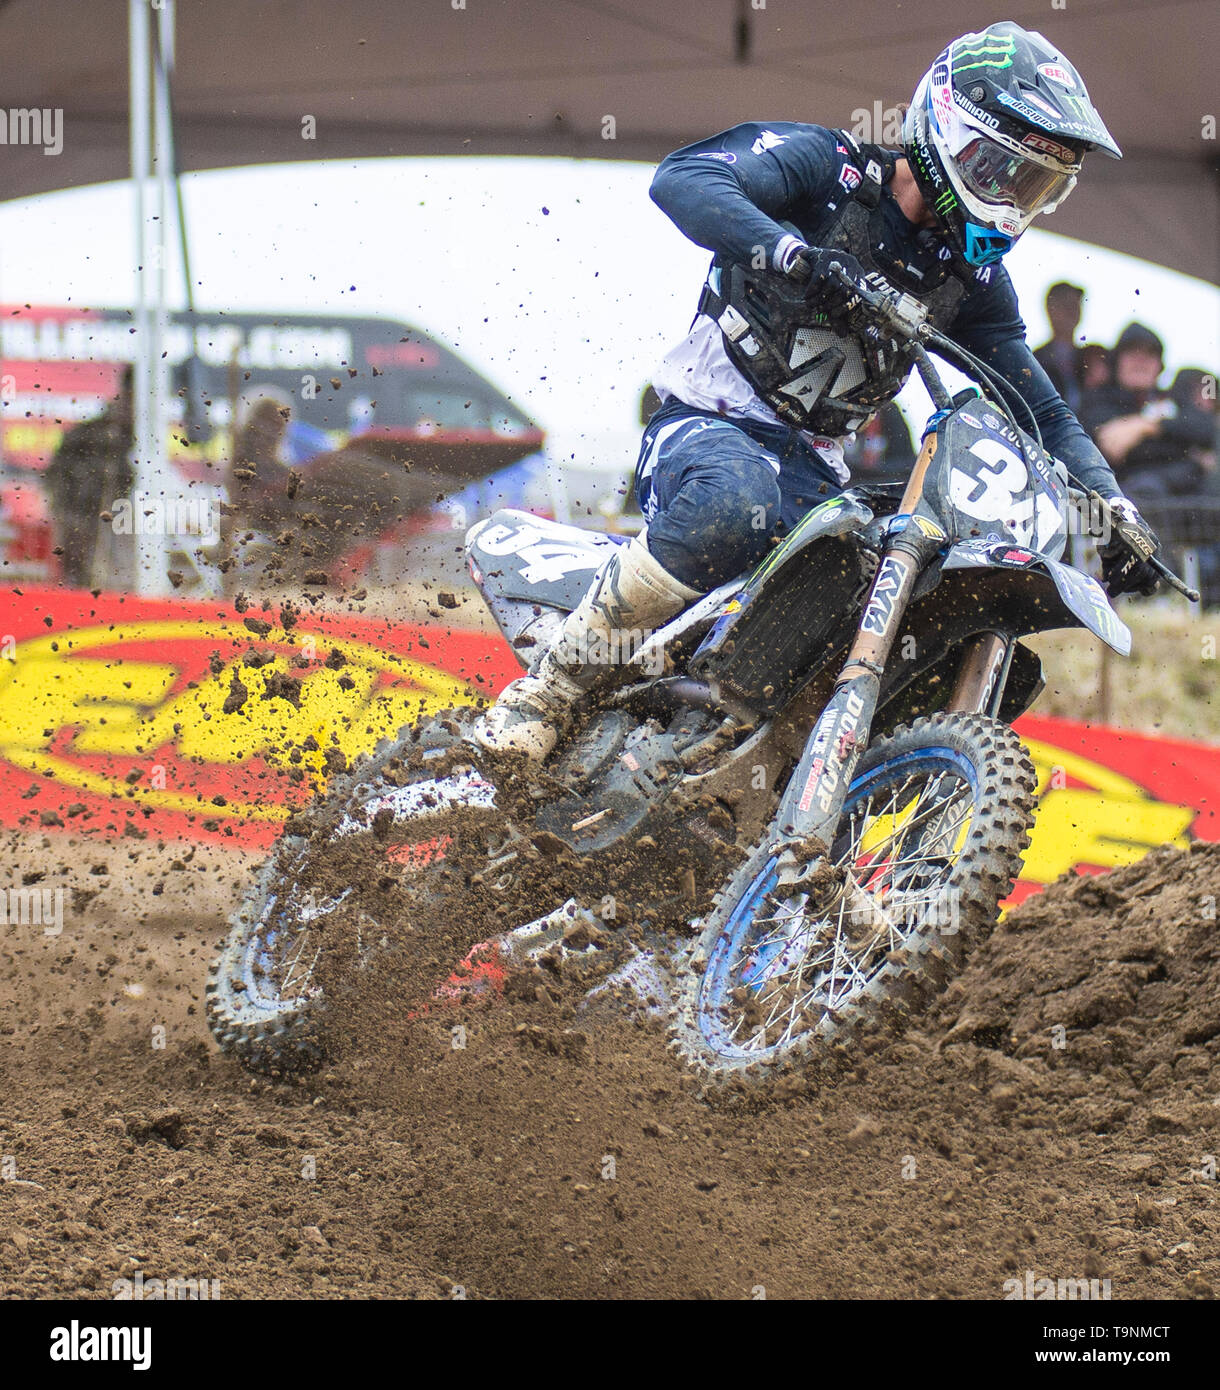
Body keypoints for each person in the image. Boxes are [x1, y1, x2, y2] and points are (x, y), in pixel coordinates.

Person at [476, 21, 1163, 763]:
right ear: (948, 131)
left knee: (888, 590)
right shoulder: (831, 169)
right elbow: (684, 179)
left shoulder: (973, 282)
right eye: (1003, 172)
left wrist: (1109, 510)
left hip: (814, 472)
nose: (1011, 203)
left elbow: (1042, 411)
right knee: (733, 501)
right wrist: (794, 255)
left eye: (1036, 187)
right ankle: (547, 693)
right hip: (708, 423)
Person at [1078, 324, 1216, 499]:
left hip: (1183, 511)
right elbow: (1111, 448)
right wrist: (1182, 448)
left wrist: (1146, 426)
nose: (1141, 361)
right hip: (1122, 504)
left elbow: (1205, 429)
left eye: (1150, 354)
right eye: (1132, 353)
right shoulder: (1097, 399)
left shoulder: (1172, 399)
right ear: (1117, 361)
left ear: (1160, 366)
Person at [44, 365, 134, 588]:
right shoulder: (94, 436)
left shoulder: (144, 438)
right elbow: (57, 489)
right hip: (92, 532)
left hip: (121, 544)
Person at [1033, 281, 1085, 411]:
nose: (1072, 311)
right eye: (1065, 305)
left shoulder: (1090, 358)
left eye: (1076, 305)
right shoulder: (1035, 359)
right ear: (1050, 309)